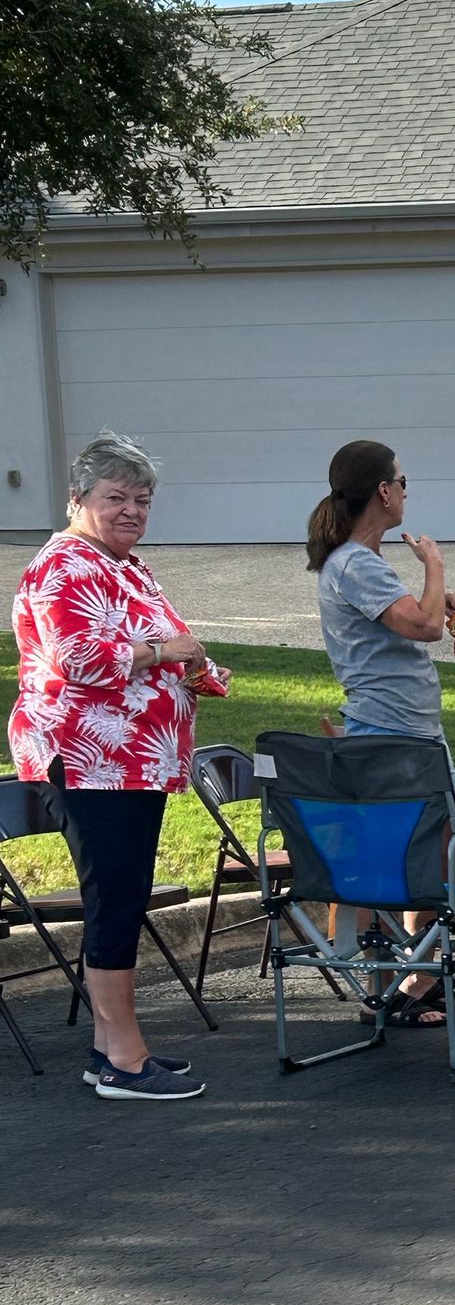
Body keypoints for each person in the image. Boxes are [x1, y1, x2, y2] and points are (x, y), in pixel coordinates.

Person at [8, 431, 212, 1101]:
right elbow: (82, 662)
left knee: (121, 896)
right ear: (76, 500)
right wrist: (161, 652)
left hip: (135, 763)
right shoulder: (64, 565)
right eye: (115, 497)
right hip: (91, 760)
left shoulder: (127, 565)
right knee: (115, 901)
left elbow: (171, 640)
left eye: (143, 500)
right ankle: (125, 1059)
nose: (131, 510)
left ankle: (107, 1050)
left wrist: (197, 665)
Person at [308, 438, 455, 1022]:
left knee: (431, 853)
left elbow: (419, 618)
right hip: (388, 730)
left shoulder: (362, 563)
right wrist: (433, 566)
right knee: (397, 859)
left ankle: (424, 979)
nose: (406, 492)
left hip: (408, 727)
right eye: (403, 482)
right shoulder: (355, 562)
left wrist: (435, 596)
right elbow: (425, 627)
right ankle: (393, 988)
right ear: (383, 490)